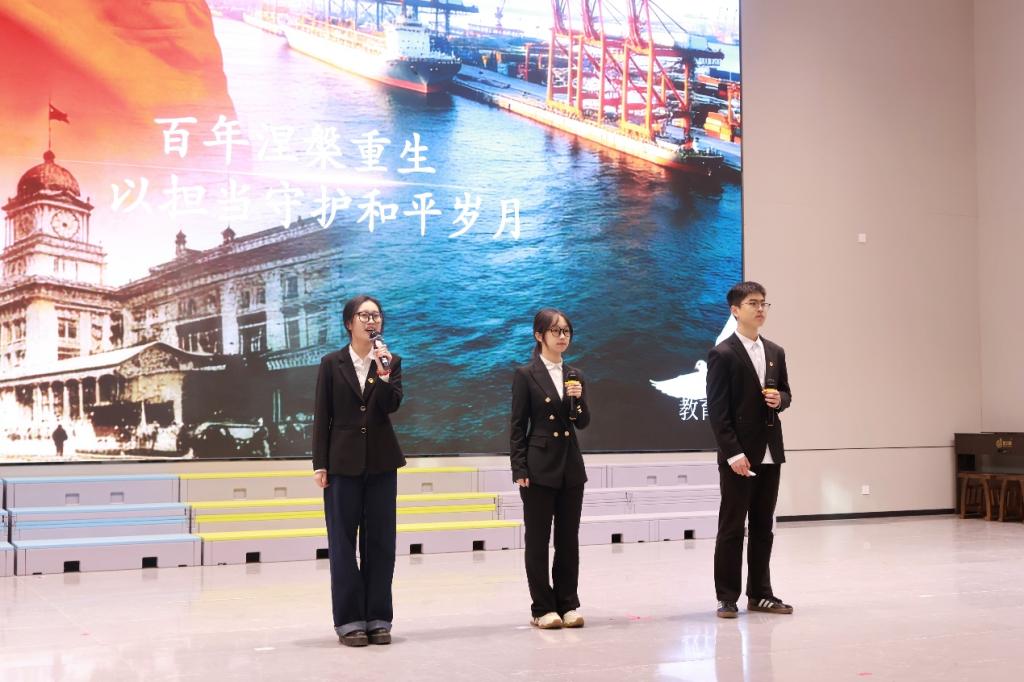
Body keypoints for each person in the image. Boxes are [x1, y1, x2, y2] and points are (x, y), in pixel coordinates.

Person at [312, 294, 404, 647]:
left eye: (376, 316)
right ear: (349, 323)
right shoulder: (331, 363)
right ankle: (349, 620)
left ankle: (378, 617)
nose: (371, 321)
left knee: (380, 541)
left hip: (382, 461)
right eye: (364, 315)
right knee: (343, 542)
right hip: (342, 464)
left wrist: (384, 373)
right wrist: (320, 463)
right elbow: (323, 415)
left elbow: (391, 405)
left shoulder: (390, 361)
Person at [706, 281, 794, 619]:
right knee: (732, 526)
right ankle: (727, 597)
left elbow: (786, 393)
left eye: (764, 303)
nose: (760, 309)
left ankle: (761, 594)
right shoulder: (723, 353)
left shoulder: (775, 352)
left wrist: (779, 399)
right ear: (735, 310)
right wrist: (733, 453)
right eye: (753, 303)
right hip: (739, 455)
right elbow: (718, 410)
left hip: (770, 450)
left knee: (763, 527)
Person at [509, 308, 591, 629]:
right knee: (538, 540)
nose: (562, 336)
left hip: (570, 466)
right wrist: (519, 467)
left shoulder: (575, 374)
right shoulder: (526, 374)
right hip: (538, 467)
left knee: (568, 539)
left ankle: (568, 603)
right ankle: (542, 608)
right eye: (555, 331)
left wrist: (578, 400)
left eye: (566, 331)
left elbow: (582, 422)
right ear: (539, 335)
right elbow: (518, 425)